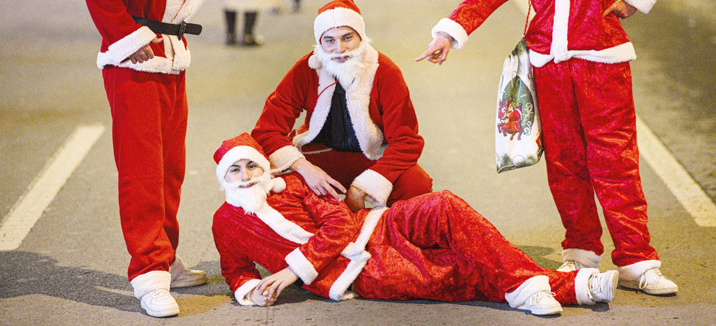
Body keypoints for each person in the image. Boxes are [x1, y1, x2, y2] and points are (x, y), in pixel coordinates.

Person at [417, 0, 679, 296]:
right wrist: (450, 32)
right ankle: (580, 253)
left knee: (614, 162)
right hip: (548, 67)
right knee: (564, 164)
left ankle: (637, 260)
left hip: (602, 62)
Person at [211, 133, 620, 315]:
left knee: (444, 206)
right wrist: (251, 292)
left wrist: (290, 270)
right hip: (357, 271)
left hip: (377, 226)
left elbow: (337, 223)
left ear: (265, 167)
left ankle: (529, 286)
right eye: (236, 170)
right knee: (455, 269)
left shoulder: (294, 184)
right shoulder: (225, 223)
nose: (246, 175)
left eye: (252, 165)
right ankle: (570, 287)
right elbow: (236, 270)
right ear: (224, 180)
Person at [81, 0, 211, 318]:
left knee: (169, 167)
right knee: (142, 173)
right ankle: (149, 275)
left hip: (170, 60)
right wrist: (127, 35)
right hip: (135, 63)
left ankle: (165, 258)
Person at [252, 0, 433, 213]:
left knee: (416, 185)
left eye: (347, 38)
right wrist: (306, 169)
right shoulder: (306, 69)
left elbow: (406, 141)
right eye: (329, 40)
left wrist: (361, 187)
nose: (340, 48)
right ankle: (311, 241)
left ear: (361, 37)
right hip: (322, 155)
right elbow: (266, 131)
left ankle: (395, 238)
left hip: (373, 156)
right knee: (277, 189)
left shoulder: (385, 71)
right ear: (320, 43)